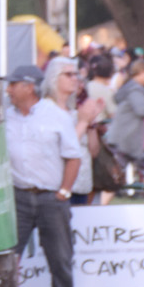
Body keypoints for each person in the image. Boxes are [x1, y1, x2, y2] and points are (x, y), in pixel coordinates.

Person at [3, 64, 83, 287]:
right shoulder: (5, 117)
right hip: (17, 195)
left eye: (13, 85)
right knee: (6, 258)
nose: (8, 90)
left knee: (60, 257)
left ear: (28, 87)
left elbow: (73, 156)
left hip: (51, 196)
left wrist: (64, 191)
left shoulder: (56, 115)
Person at [43, 57, 103, 203]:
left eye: (77, 75)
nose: (75, 79)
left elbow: (93, 152)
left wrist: (91, 124)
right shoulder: (45, 110)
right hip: (59, 187)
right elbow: (61, 149)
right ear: (54, 77)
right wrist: (83, 123)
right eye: (69, 75)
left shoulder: (74, 112)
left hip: (82, 186)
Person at [105, 58, 144, 180]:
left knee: (117, 176)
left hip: (127, 140)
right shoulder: (135, 90)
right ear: (142, 72)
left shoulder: (131, 88)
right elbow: (143, 110)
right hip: (130, 140)